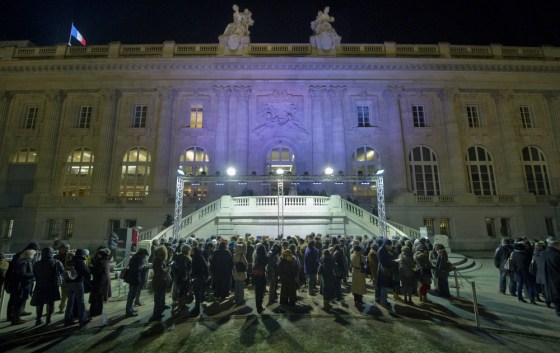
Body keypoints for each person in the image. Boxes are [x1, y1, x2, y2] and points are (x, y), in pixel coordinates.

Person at [31, 247, 63, 326]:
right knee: (50, 303)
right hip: (51, 286)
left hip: (39, 286)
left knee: (39, 303)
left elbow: (34, 274)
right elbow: (62, 270)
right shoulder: (56, 262)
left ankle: (38, 319)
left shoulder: (37, 264)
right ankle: (48, 318)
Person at [9, 245, 37, 325]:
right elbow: (22, 275)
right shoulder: (24, 263)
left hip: (23, 285)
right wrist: (33, 274)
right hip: (21, 286)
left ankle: (16, 318)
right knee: (18, 303)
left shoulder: (24, 262)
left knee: (19, 303)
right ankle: (15, 319)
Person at [64, 248, 91, 327]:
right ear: (82, 255)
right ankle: (82, 320)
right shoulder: (80, 262)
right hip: (78, 283)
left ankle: (67, 320)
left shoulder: (70, 262)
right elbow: (87, 272)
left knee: (69, 303)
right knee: (81, 302)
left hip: (68, 284)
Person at [124, 248, 150, 317]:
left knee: (132, 295)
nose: (145, 257)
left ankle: (131, 309)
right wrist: (144, 266)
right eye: (145, 255)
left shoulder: (135, 256)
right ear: (143, 253)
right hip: (134, 279)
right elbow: (137, 269)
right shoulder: (138, 259)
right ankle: (128, 311)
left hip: (132, 278)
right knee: (131, 296)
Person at [89, 247, 112, 320]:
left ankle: (94, 313)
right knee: (100, 298)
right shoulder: (106, 260)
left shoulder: (100, 261)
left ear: (101, 255)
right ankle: (98, 312)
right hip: (104, 282)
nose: (97, 255)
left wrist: (90, 268)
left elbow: (96, 271)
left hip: (100, 283)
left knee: (96, 298)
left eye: (98, 254)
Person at [150, 245, 171, 322]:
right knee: (158, 299)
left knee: (160, 297)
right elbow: (161, 271)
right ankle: (156, 315)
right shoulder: (158, 261)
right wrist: (168, 268)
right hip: (159, 282)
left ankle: (159, 311)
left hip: (160, 282)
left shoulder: (158, 260)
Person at [541, 240, 560, 316]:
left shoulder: (542, 254)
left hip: (546, 279)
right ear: (555, 246)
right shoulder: (557, 255)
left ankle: (558, 311)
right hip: (556, 279)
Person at [172, 244, 192, 313]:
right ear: (186, 250)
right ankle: (181, 305)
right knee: (183, 291)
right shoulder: (184, 257)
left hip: (179, 276)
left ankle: (181, 304)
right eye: (189, 250)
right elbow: (184, 267)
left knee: (181, 290)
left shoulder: (178, 256)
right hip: (184, 277)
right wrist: (185, 276)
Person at [191, 246, 209, 316]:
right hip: (199, 277)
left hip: (198, 278)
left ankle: (197, 308)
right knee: (197, 292)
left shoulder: (197, 258)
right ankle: (197, 307)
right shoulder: (199, 257)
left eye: (192, 250)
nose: (191, 251)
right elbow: (206, 266)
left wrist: (206, 276)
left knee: (197, 293)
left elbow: (204, 267)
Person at [376, 239, 394, 306]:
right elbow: (383, 261)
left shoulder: (384, 249)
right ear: (385, 244)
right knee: (384, 286)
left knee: (383, 286)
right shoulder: (381, 250)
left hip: (383, 269)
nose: (389, 247)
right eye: (388, 245)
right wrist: (391, 261)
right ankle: (384, 301)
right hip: (383, 270)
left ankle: (383, 300)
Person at [54, 243, 72, 313]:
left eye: (64, 248)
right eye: (61, 248)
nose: (62, 250)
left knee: (65, 293)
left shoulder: (70, 256)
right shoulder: (56, 256)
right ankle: (52, 308)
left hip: (67, 276)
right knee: (58, 292)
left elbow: (73, 265)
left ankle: (62, 307)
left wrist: (67, 269)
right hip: (58, 275)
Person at [252, 243, 267, 314]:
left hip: (256, 275)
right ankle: (259, 307)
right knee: (261, 292)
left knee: (257, 292)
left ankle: (258, 307)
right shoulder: (264, 258)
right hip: (261, 276)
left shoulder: (256, 255)